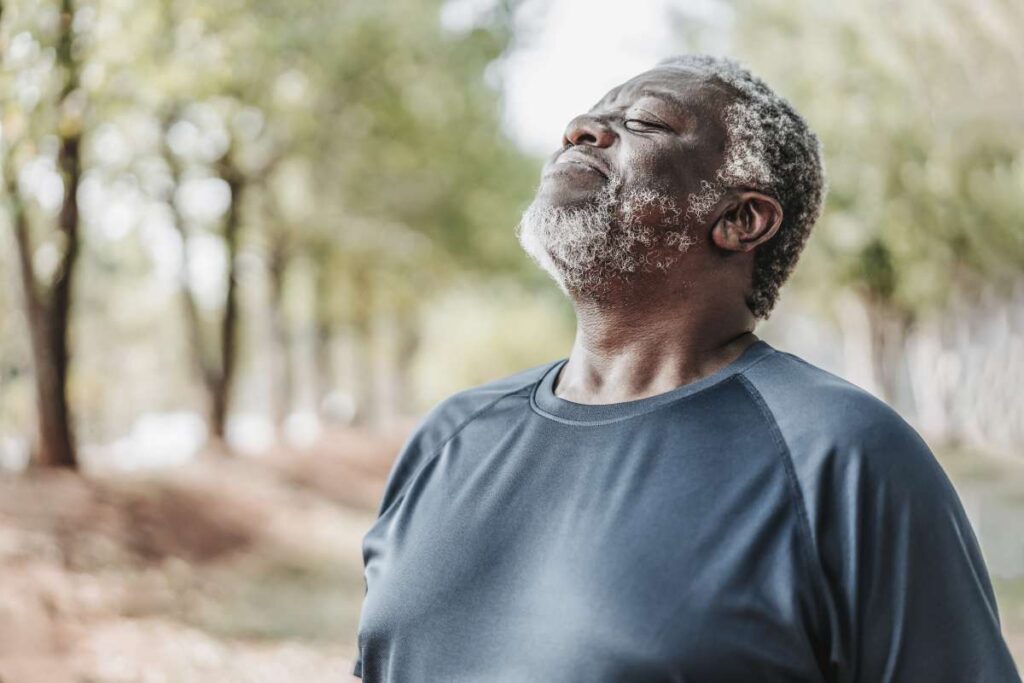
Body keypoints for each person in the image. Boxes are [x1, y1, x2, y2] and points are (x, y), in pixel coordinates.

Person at [350, 54, 1021, 682]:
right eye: (588, 117)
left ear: (740, 218)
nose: (581, 129)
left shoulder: (844, 458)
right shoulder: (449, 435)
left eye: (642, 122)